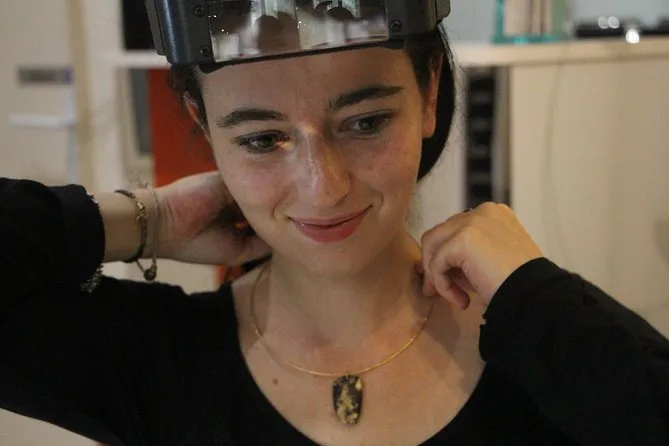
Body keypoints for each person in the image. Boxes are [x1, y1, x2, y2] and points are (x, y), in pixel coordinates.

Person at [1, 12, 669, 446]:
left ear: (429, 93)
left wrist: (538, 297)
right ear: (204, 126)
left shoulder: (553, 353)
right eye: (262, 139)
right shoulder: (158, 361)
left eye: (365, 123)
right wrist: (147, 220)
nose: (323, 187)